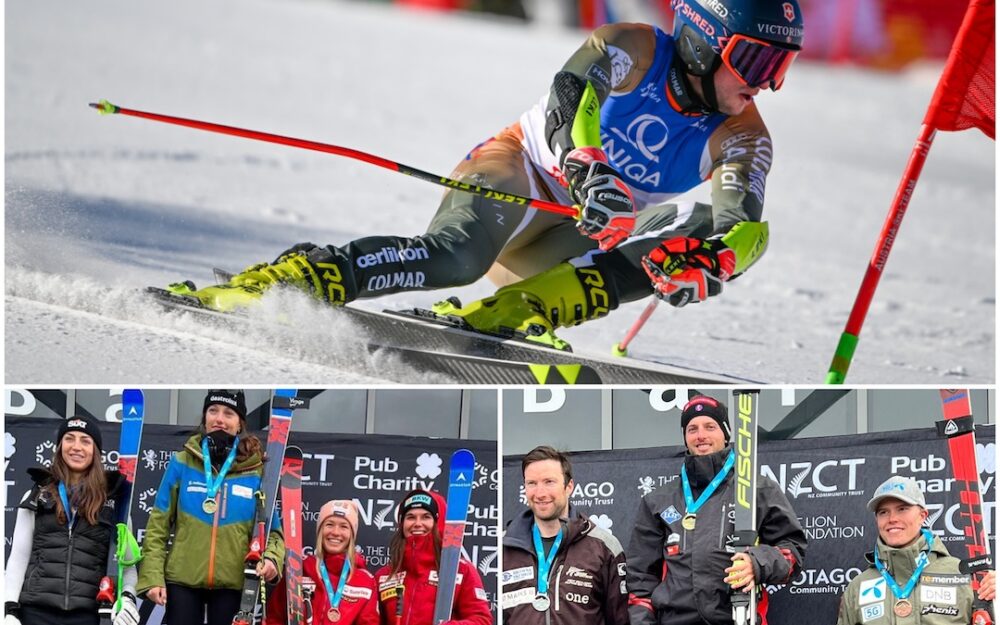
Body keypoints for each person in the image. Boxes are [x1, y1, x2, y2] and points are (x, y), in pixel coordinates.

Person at [162, 0, 804, 350]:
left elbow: (742, 225)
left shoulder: (744, 133)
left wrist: (711, 261)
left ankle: (516, 313)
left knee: (685, 231)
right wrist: (587, 164)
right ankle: (297, 277)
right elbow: (568, 98)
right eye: (753, 57)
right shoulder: (634, 46)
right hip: (520, 169)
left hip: (577, 230)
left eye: (780, 64)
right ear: (701, 35)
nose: (764, 82)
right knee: (458, 257)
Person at [626, 395, 807, 625]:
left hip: (737, 617)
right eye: (692, 429)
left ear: (725, 433)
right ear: (685, 438)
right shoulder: (658, 500)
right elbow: (640, 578)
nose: (700, 435)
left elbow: (793, 552)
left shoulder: (756, 488)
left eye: (710, 427)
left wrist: (757, 563)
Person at [136, 390, 285, 625]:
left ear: (239, 424)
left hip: (234, 582)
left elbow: (274, 533)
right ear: (205, 419)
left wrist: (271, 560)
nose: (219, 419)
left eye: (228, 413)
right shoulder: (181, 462)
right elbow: (157, 527)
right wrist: (152, 576)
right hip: (183, 580)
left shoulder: (256, 471)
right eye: (213, 411)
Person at [3, 414, 140, 625]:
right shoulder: (37, 495)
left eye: (85, 441)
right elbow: (18, 559)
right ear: (59, 447)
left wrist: (128, 597)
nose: (76, 446)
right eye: (69, 438)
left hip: (88, 615)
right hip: (36, 612)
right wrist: (9, 609)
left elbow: (127, 565)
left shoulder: (114, 501)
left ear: (96, 451)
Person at [836, 476, 997, 624]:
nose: (892, 519)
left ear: (922, 515)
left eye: (902, 509)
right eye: (883, 512)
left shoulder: (962, 575)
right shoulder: (858, 587)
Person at [502, 445, 628, 625]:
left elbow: (620, 619)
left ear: (569, 486)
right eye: (532, 483)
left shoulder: (603, 546)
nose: (540, 493)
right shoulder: (504, 546)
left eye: (549, 482)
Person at [374, 489, 492, 625]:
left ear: (439, 522)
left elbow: (482, 620)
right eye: (410, 517)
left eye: (426, 517)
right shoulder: (384, 575)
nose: (417, 523)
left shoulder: (460, 571)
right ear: (401, 524)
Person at [264, 500, 379, 625]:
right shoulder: (298, 569)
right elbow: (274, 618)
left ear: (352, 534)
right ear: (320, 530)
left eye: (344, 526)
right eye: (329, 524)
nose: (335, 532)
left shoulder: (365, 581)